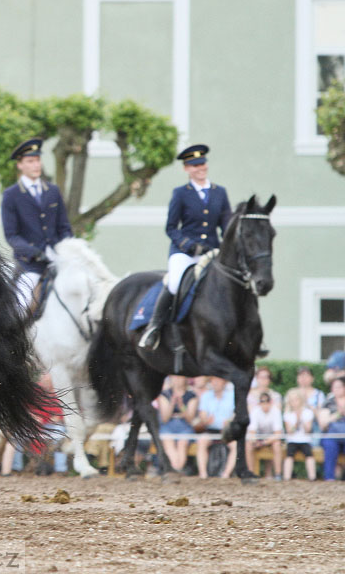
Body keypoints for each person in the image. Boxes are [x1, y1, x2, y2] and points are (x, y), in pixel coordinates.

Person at [140, 144, 232, 349]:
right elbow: (171, 227)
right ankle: (154, 328)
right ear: (187, 169)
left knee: (233, 283)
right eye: (195, 165)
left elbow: (226, 225)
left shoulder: (220, 193)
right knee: (174, 283)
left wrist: (227, 246)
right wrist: (189, 245)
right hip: (185, 252)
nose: (200, 168)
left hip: (212, 251)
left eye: (203, 163)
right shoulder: (181, 193)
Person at [0, 138, 73, 305]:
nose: (36, 165)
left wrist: (66, 249)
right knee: (23, 302)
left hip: (59, 260)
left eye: (38, 160)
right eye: (30, 161)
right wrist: (35, 253)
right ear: (20, 165)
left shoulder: (53, 191)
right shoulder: (11, 195)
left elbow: (64, 227)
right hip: (31, 265)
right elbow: (12, 236)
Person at [195, 376, 237, 479]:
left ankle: (226, 474)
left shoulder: (232, 396)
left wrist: (229, 423)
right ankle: (203, 474)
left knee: (235, 445)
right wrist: (206, 420)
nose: (215, 383)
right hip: (211, 430)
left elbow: (235, 415)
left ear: (224, 382)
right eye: (213, 380)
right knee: (202, 441)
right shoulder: (206, 396)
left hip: (227, 431)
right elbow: (203, 415)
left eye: (218, 380)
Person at [156, 375, 198, 472]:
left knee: (182, 445)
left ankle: (176, 469)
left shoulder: (191, 396)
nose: (177, 380)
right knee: (169, 443)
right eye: (175, 377)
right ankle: (176, 468)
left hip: (184, 426)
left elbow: (190, 419)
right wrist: (172, 404)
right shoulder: (165, 395)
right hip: (168, 425)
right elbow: (165, 418)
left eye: (179, 377)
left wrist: (181, 406)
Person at [245, 392, 283, 479]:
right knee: (248, 445)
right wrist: (255, 442)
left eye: (267, 401)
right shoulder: (255, 411)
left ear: (271, 402)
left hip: (272, 439)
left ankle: (278, 474)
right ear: (259, 403)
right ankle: (250, 473)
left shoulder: (276, 411)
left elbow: (277, 434)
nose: (265, 404)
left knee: (277, 444)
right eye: (262, 401)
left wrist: (263, 443)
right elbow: (252, 432)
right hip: (259, 438)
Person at [283, 390, 317, 481]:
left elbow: (308, 430)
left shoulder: (308, 412)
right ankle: (286, 477)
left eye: (296, 400)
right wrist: (297, 422)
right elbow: (289, 431)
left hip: (305, 440)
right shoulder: (287, 414)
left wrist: (301, 418)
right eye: (292, 400)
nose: (294, 402)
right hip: (292, 440)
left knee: (309, 455)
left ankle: (312, 477)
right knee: (289, 455)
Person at [318, 376, 345, 481]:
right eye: (334, 387)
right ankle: (329, 478)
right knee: (330, 446)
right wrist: (338, 414)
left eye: (339, 387)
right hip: (332, 435)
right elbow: (323, 424)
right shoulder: (328, 402)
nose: (336, 389)